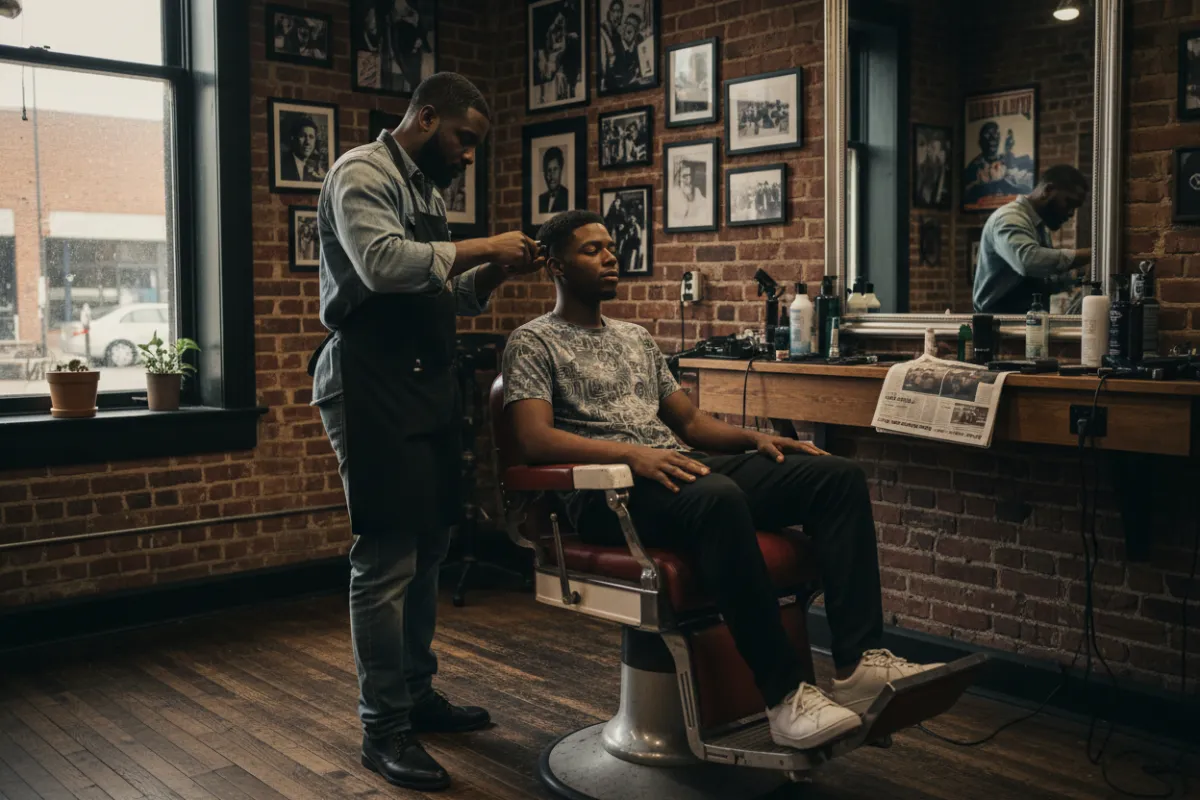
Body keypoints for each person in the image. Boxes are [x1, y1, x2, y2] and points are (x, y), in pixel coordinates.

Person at [502, 210, 941, 751]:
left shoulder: (635, 338)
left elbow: (690, 424)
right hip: (603, 492)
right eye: (592, 250)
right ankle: (785, 696)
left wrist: (753, 439)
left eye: (611, 246)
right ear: (556, 266)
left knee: (834, 476)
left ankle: (859, 664)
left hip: (672, 468)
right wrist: (633, 455)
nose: (611, 257)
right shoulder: (533, 341)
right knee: (716, 495)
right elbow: (534, 439)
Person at [308, 72, 544, 792]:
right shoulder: (362, 173)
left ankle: (415, 694)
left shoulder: (429, 193)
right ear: (427, 117)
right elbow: (382, 265)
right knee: (386, 559)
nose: (468, 156)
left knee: (432, 545)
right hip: (368, 380)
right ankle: (383, 728)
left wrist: (496, 269)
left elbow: (450, 292)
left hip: (424, 379)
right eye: (464, 140)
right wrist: (485, 241)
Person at [973, 164, 1091, 314]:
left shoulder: (1037, 227)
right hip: (999, 324)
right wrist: (1090, 254)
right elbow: (1028, 261)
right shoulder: (1009, 218)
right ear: (1048, 190)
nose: (1071, 213)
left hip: (1023, 322)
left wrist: (1079, 279)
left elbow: (1042, 280)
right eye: (1069, 203)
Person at [281, 116, 325, 183]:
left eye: (311, 137)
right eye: (302, 136)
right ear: (294, 138)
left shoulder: (317, 168)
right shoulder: (282, 164)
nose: (307, 142)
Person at [538, 147, 569, 214]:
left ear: (561, 170)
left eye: (555, 169)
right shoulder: (540, 199)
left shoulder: (568, 196)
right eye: (549, 170)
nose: (551, 175)